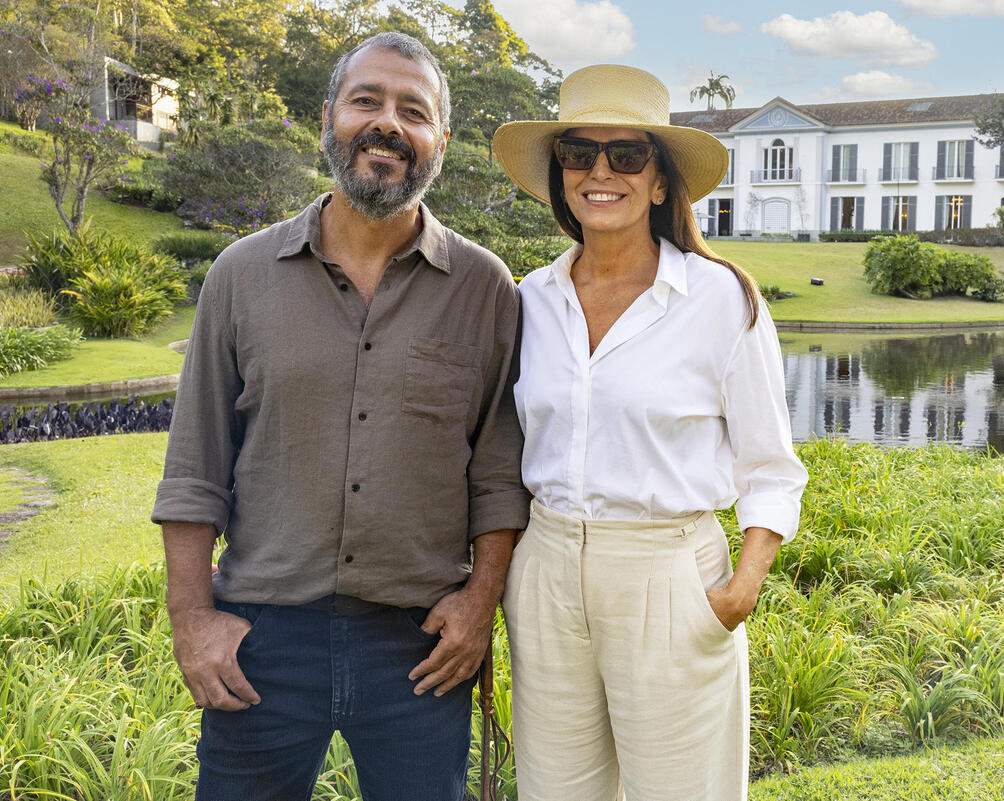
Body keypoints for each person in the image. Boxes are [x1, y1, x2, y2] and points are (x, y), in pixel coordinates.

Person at [151, 32, 529, 800]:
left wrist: (479, 602)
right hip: (261, 637)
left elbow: (497, 472)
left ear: (440, 140)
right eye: (367, 100)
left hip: (419, 644)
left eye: (413, 110)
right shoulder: (241, 275)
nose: (387, 123)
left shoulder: (485, 289)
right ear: (328, 116)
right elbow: (194, 468)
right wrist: (193, 617)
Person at [492, 64, 809, 801]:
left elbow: (773, 469)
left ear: (661, 181)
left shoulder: (720, 298)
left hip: (669, 573)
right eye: (579, 153)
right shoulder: (528, 299)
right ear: (559, 174)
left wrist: (739, 590)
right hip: (545, 573)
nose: (601, 171)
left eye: (627, 155)